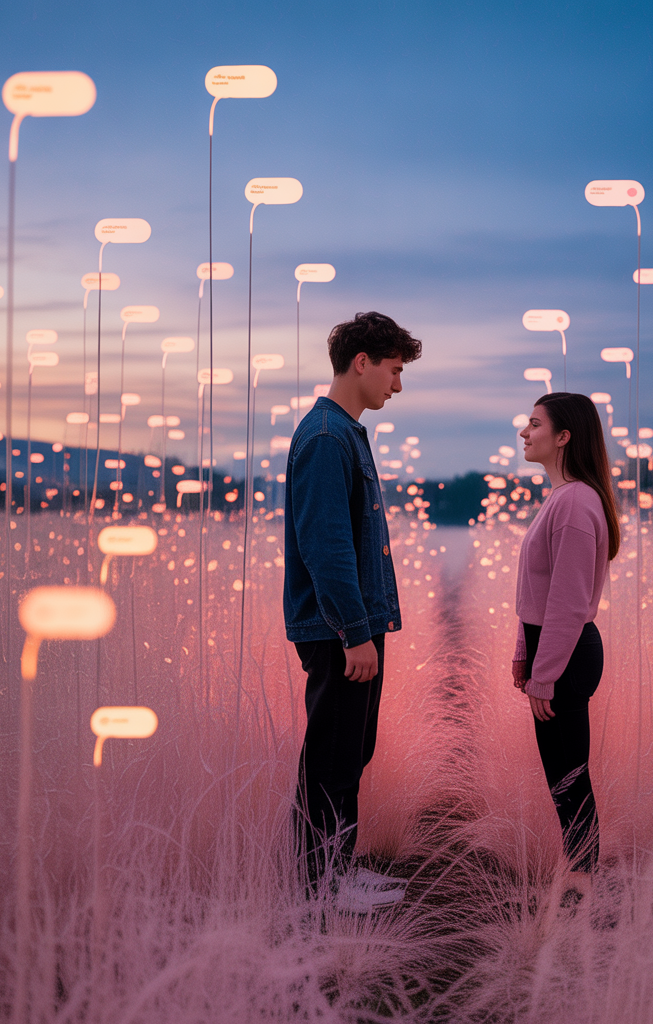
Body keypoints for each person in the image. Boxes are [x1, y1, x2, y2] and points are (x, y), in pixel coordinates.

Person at [284, 311, 422, 911]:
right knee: (332, 755)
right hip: (342, 631)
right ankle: (320, 888)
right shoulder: (324, 438)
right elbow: (328, 546)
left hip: (353, 627)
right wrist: (354, 633)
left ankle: (338, 871)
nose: (397, 386)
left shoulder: (341, 432)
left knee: (349, 750)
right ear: (361, 363)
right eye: (393, 371)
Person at [512, 392, 620, 899]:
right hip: (552, 650)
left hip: (567, 653)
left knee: (569, 776)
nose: (524, 432)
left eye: (534, 424)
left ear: (563, 436)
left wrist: (544, 672)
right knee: (563, 774)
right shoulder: (562, 498)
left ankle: (580, 884)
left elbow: (568, 603)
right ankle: (578, 875)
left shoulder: (576, 502)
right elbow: (536, 589)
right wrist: (523, 652)